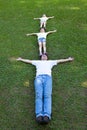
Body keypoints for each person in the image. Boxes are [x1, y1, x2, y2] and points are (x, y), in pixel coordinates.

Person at [16, 54, 74, 124]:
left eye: (45, 56)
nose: (44, 56)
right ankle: (39, 115)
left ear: (47, 58)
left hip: (48, 79)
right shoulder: (37, 62)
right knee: (39, 96)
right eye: (42, 56)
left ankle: (47, 115)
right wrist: (21, 59)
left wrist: (68, 59)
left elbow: (60, 61)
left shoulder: (50, 62)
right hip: (39, 78)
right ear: (41, 58)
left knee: (47, 96)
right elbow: (29, 61)